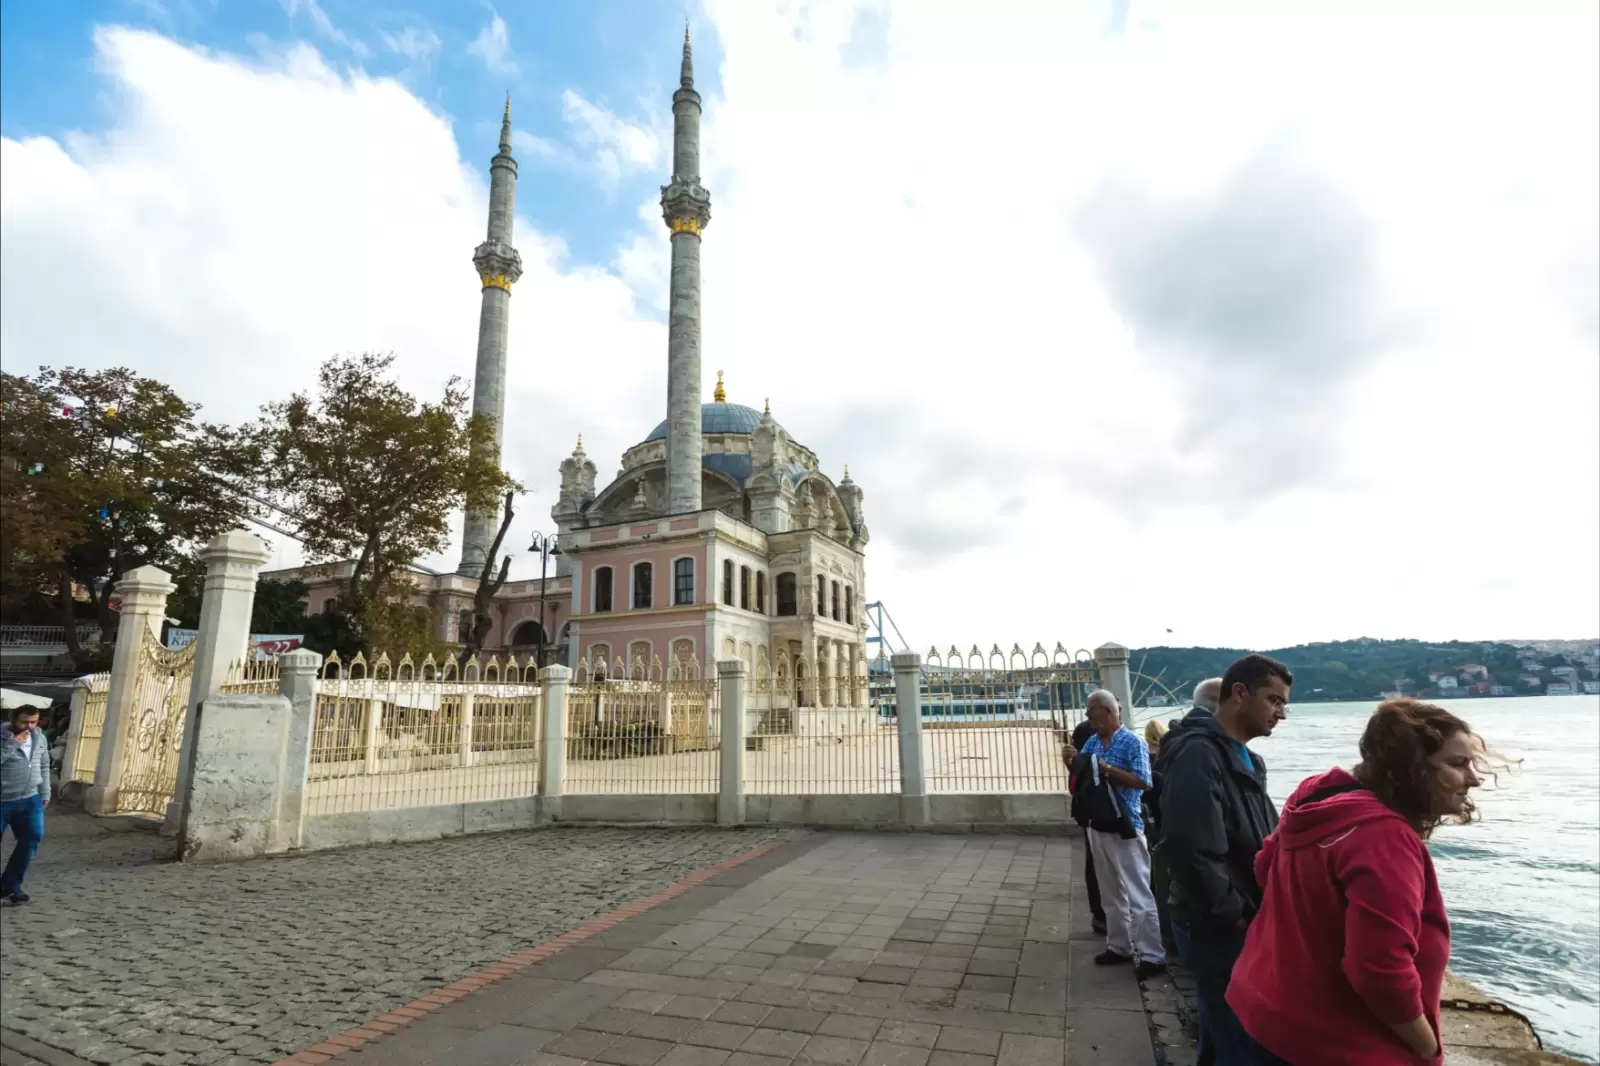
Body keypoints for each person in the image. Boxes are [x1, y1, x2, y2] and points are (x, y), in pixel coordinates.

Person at [1228, 700, 1493, 1065]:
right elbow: (1378, 969)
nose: (1475, 778)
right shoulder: (1384, 838)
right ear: (1411, 768)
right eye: (1458, 763)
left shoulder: (1317, 796)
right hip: (1334, 1046)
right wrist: (1426, 1047)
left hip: (1266, 1012)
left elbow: (1264, 867)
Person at [1160, 655, 1290, 1064]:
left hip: (1235, 920)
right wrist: (1233, 912)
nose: (1280, 713)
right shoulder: (1200, 754)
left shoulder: (1247, 758)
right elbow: (1190, 845)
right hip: (1219, 926)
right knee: (1241, 1040)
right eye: (1274, 700)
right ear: (1239, 694)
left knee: (1221, 1033)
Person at [1076, 689, 1166, 979]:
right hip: (1097, 823)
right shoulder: (1091, 740)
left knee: (1138, 891)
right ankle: (1119, 945)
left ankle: (1153, 955)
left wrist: (1109, 769)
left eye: (1092, 713)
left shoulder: (1133, 742)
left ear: (1108, 712)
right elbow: (1085, 777)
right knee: (1110, 891)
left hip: (1124, 825)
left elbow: (1144, 782)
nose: (1088, 718)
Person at [1, 707, 52, 905]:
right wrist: (12, 745)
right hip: (2, 800)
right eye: (24, 722)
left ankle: (10, 885)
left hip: (30, 799)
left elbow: (44, 764)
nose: (29, 727)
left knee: (32, 839)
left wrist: (45, 792)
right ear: (12, 719)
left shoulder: (40, 737)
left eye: (34, 722)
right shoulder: (3, 737)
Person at [1065, 716, 1107, 935]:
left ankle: (1102, 915)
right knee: (1098, 862)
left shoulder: (1084, 730)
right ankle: (1102, 914)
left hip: (1089, 808)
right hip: (1097, 808)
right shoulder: (1088, 732)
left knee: (1095, 862)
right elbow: (1080, 772)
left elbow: (1075, 772)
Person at [1142, 718, 1173, 949]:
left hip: (1152, 827)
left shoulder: (1148, 760)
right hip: (1165, 825)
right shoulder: (1168, 760)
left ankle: (1165, 931)